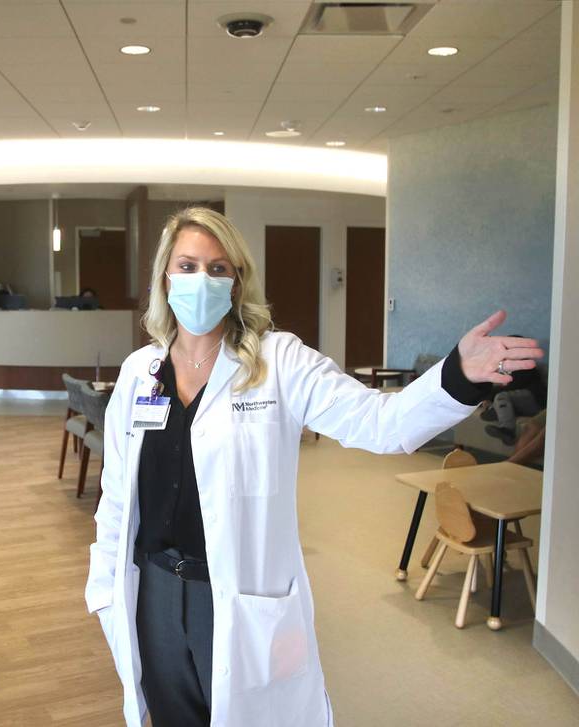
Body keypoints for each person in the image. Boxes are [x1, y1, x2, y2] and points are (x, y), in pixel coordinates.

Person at [85, 208, 544, 727]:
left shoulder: (278, 361)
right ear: (165, 278)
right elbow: (118, 492)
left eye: (218, 269)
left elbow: (379, 421)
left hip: (237, 595)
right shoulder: (139, 373)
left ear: (237, 283)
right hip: (155, 592)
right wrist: (104, 587)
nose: (201, 280)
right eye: (187, 266)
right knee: (172, 717)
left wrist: (458, 375)